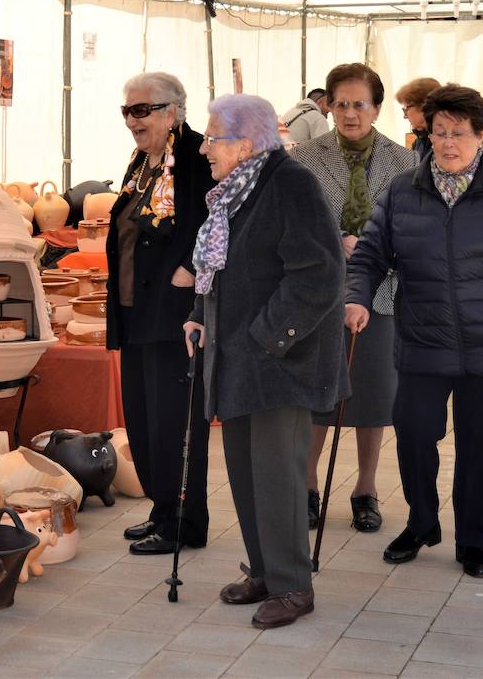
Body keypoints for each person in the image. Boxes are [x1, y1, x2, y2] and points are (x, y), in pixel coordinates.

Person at [345, 84, 483, 580]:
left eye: (458, 133)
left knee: (481, 446)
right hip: (422, 340)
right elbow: (371, 253)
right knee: (415, 436)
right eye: (439, 132)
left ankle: (472, 541)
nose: (447, 143)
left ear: (481, 136)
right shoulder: (403, 190)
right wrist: (357, 295)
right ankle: (421, 523)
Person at [184, 94, 348, 630]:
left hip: (281, 361)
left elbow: (319, 273)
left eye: (213, 138)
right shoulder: (236, 188)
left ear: (247, 143)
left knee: (277, 475)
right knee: (243, 470)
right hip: (235, 354)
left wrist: (266, 337)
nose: (205, 148)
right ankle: (263, 570)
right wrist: (200, 313)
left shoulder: (289, 183)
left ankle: (293, 586)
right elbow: (222, 266)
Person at [294, 63, 416, 534]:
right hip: (319, 298)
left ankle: (366, 489)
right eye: (340, 104)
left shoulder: (405, 163)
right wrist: (333, 242)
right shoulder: (304, 157)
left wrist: (374, 251)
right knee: (318, 396)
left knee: (373, 398)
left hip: (381, 296)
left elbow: (410, 230)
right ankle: (306, 485)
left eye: (358, 104)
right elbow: (295, 225)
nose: (348, 114)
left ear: (377, 108)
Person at [106, 71, 215, 555]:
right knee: (146, 421)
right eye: (127, 110)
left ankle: (185, 523)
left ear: (172, 111)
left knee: (176, 424)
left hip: (173, 315)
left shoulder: (194, 156)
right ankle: (162, 509)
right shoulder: (144, 160)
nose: (132, 120)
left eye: (141, 110)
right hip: (136, 313)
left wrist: (190, 267)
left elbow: (214, 219)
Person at [394, 77, 441, 160]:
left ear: (423, 106)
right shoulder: (419, 142)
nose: (405, 116)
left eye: (406, 109)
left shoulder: (445, 143)